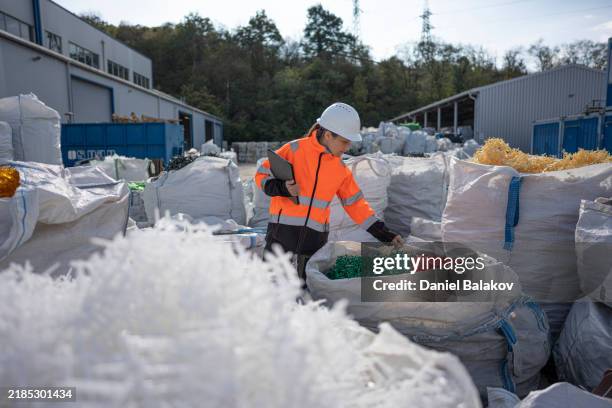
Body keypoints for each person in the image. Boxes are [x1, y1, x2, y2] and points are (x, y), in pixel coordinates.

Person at [255, 102, 403, 282]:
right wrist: (282, 188)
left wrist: (385, 234)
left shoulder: (340, 170)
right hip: (281, 237)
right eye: (344, 141)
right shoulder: (294, 150)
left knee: (307, 294)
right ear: (327, 135)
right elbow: (261, 174)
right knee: (272, 288)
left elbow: (358, 207)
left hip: (313, 244)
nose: (347, 147)